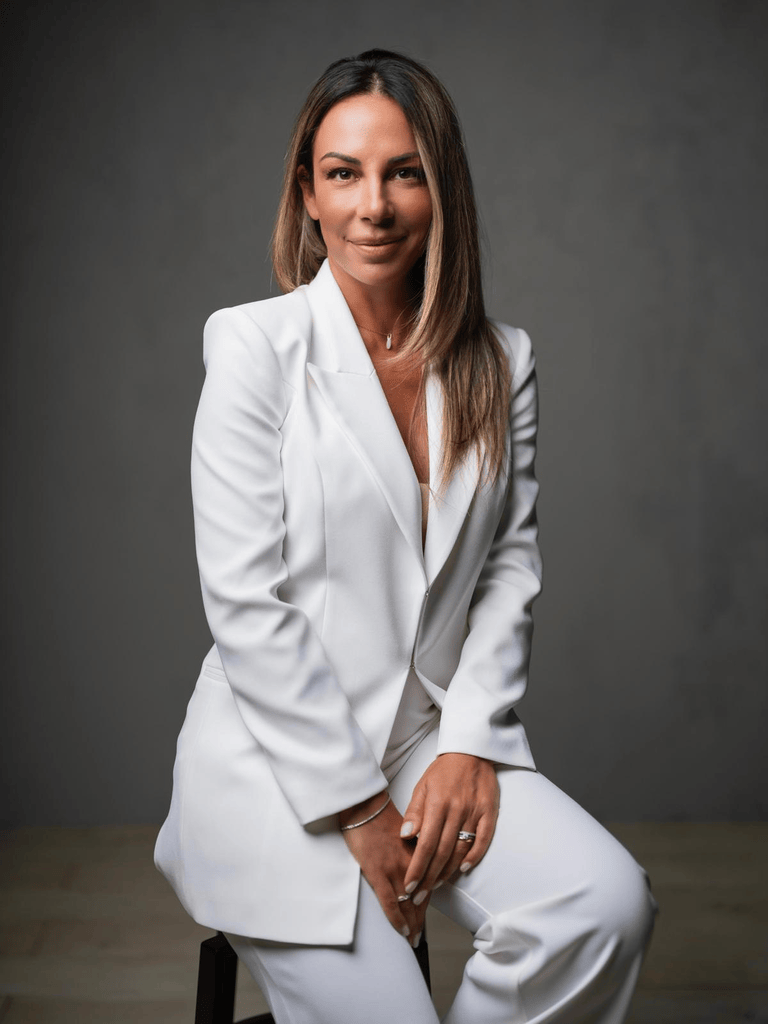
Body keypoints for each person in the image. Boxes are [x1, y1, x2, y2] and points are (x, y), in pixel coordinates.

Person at [155, 48, 656, 1024]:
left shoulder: (500, 361)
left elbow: (508, 565)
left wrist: (472, 741)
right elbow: (246, 605)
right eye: (343, 173)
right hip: (279, 768)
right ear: (307, 194)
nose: (373, 206)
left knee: (604, 908)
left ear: (443, 189)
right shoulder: (253, 346)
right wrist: (359, 808)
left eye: (405, 173)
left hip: (429, 742)